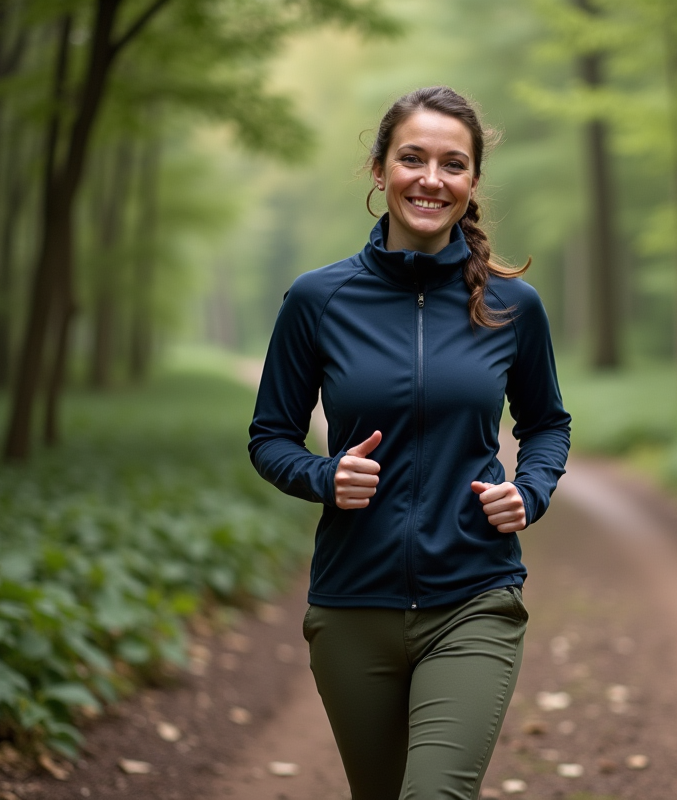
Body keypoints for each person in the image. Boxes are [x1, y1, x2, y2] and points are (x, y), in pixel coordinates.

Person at [248, 85, 571, 799]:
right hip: (351, 604)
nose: (432, 178)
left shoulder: (513, 306)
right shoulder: (318, 300)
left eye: (453, 163)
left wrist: (532, 489)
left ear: (473, 182)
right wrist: (322, 476)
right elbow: (270, 436)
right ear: (380, 169)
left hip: (474, 595)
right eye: (413, 158)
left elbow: (546, 422)